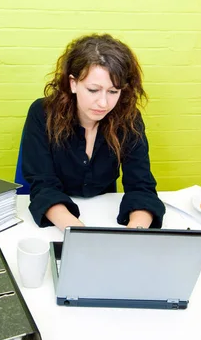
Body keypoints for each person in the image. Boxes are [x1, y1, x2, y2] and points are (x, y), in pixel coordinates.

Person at [21, 33, 165, 231]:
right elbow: (43, 186)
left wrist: (135, 234)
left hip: (103, 211)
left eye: (113, 91)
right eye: (93, 90)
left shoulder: (128, 118)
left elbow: (141, 186)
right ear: (73, 83)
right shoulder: (42, 114)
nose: (104, 103)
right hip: (57, 217)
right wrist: (81, 234)